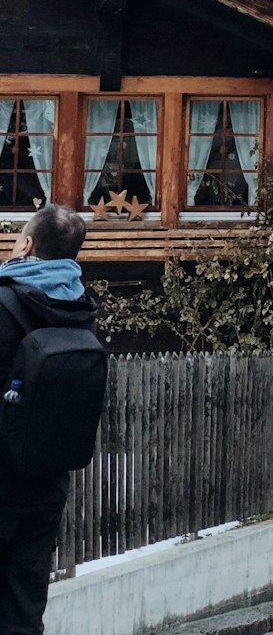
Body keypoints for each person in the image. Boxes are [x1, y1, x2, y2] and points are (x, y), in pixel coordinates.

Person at [0, 204, 98, 631]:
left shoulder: (4, 300)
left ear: (26, 244)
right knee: (24, 599)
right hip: (47, 480)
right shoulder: (81, 310)